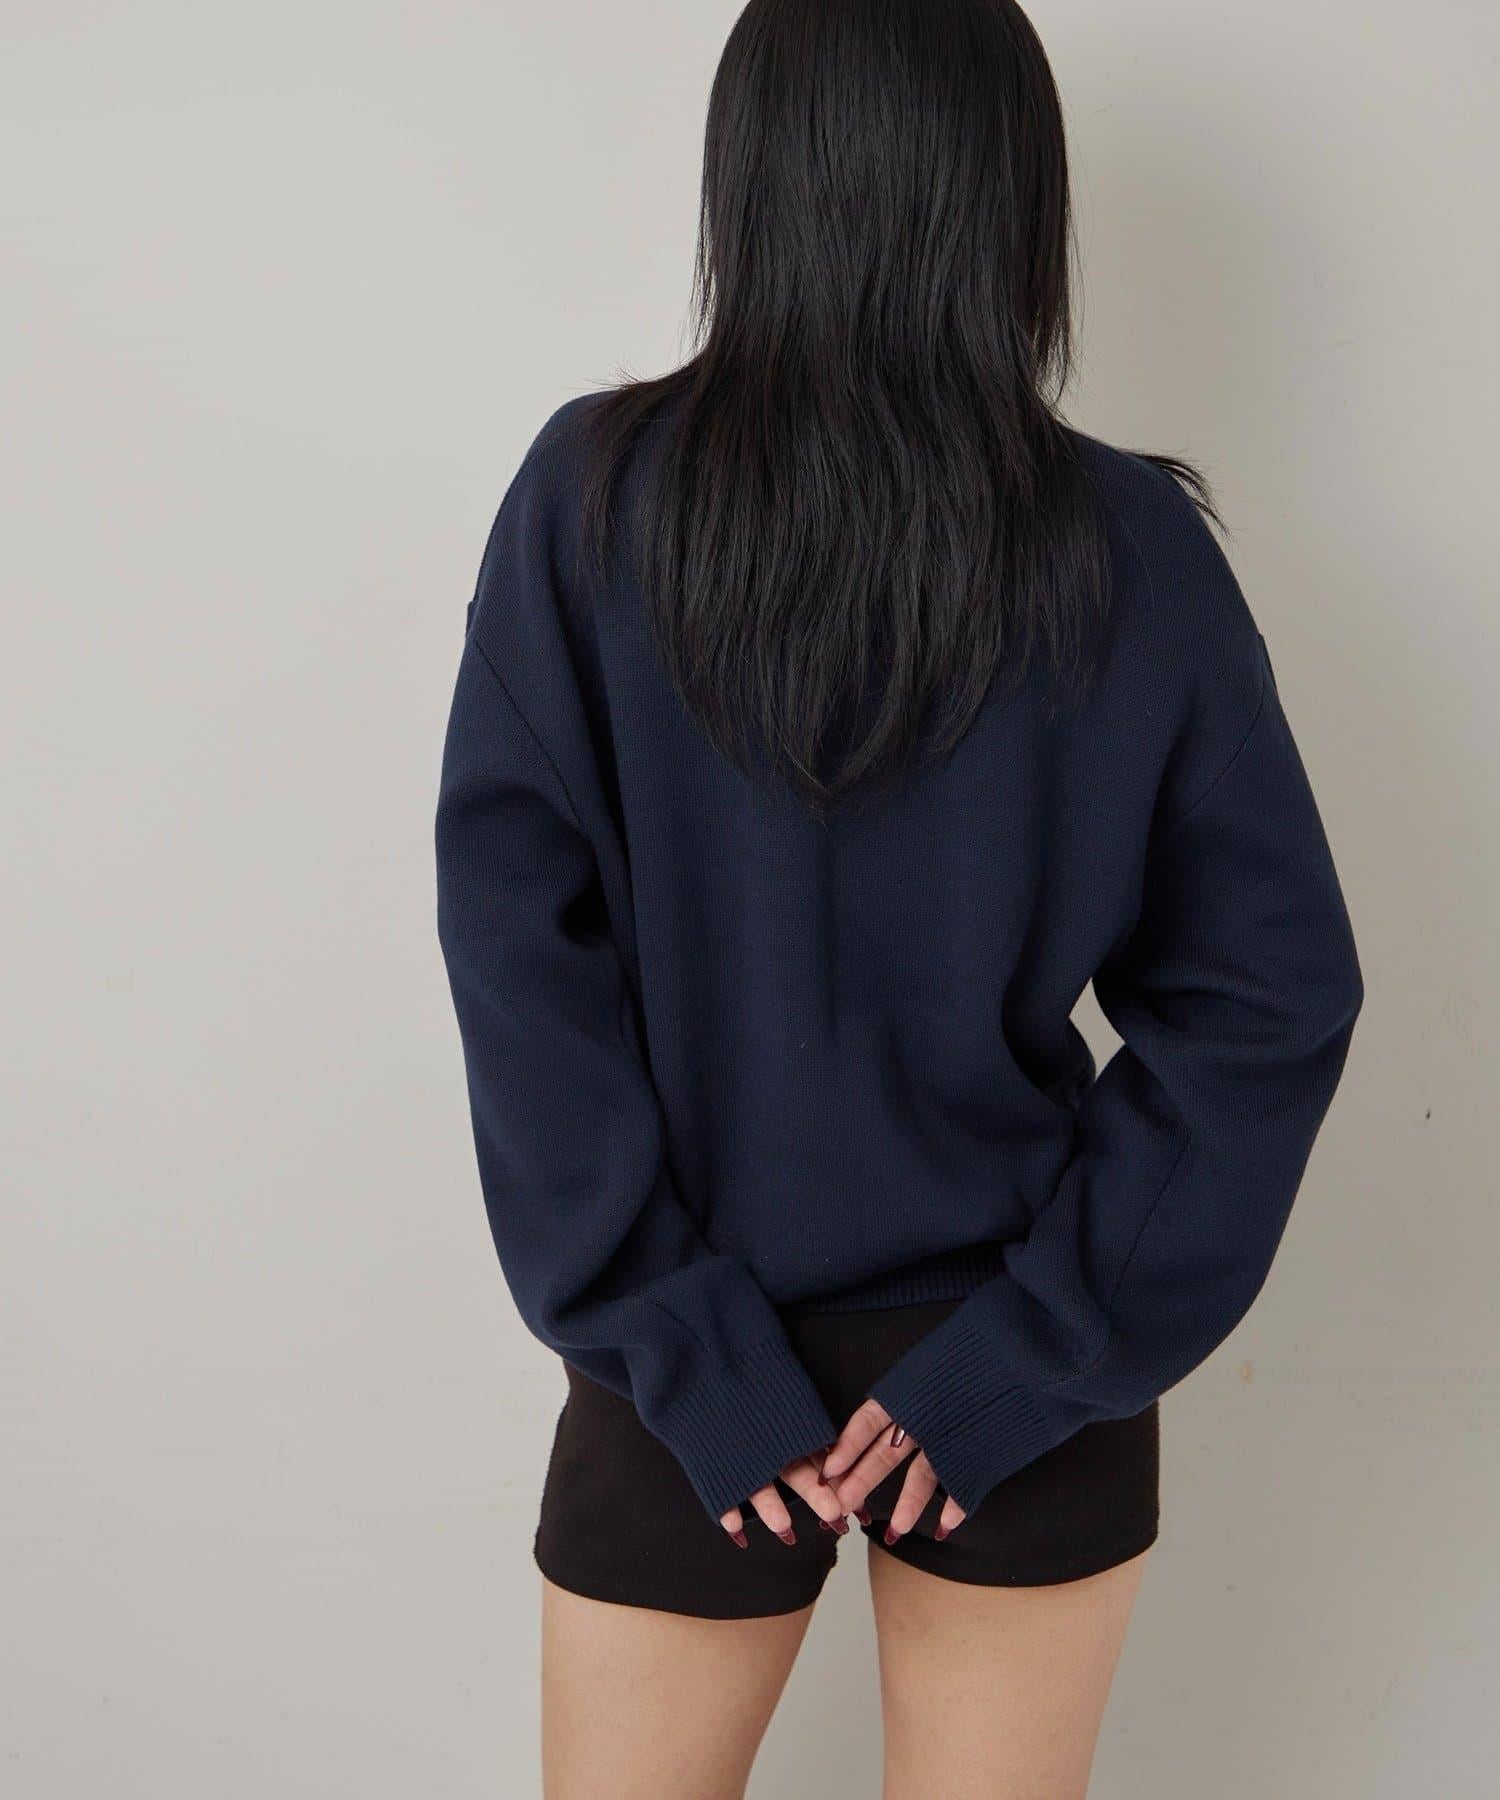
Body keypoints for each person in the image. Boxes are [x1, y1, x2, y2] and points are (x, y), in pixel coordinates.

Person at [434, 1, 1363, 1792]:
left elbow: (522, 969)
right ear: (1012, 193)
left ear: (752, 178)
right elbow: (1265, 997)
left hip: (692, 1353)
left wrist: (675, 1338)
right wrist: (1035, 1353)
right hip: (1015, 1341)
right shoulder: (1133, 548)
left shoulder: (589, 507)